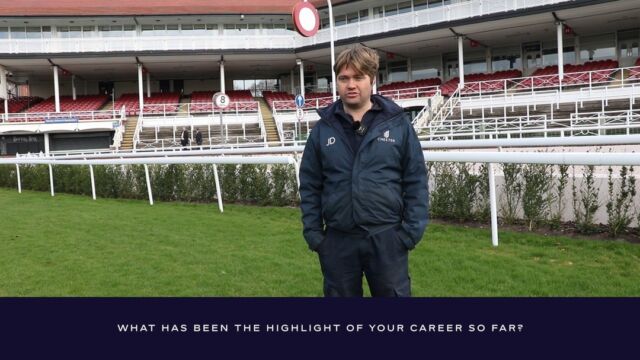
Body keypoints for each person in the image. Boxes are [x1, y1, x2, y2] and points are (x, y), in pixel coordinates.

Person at [299, 45, 428, 297]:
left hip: (387, 238)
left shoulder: (398, 123)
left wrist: (410, 233)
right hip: (338, 240)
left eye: (358, 77)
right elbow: (310, 184)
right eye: (344, 78)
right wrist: (315, 235)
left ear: (372, 79)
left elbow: (416, 181)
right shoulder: (323, 129)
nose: (351, 85)